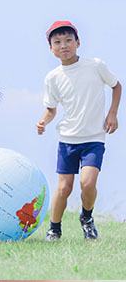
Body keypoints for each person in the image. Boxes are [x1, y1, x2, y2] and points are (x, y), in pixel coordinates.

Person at [36, 21, 122, 241]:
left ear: (78, 42)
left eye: (68, 40)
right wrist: (43, 121)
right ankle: (54, 229)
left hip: (94, 138)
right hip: (67, 140)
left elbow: (116, 85)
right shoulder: (52, 77)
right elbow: (51, 109)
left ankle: (87, 217)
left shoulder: (95, 65)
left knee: (88, 183)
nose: (63, 45)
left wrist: (112, 113)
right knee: (64, 188)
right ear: (51, 48)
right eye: (57, 42)